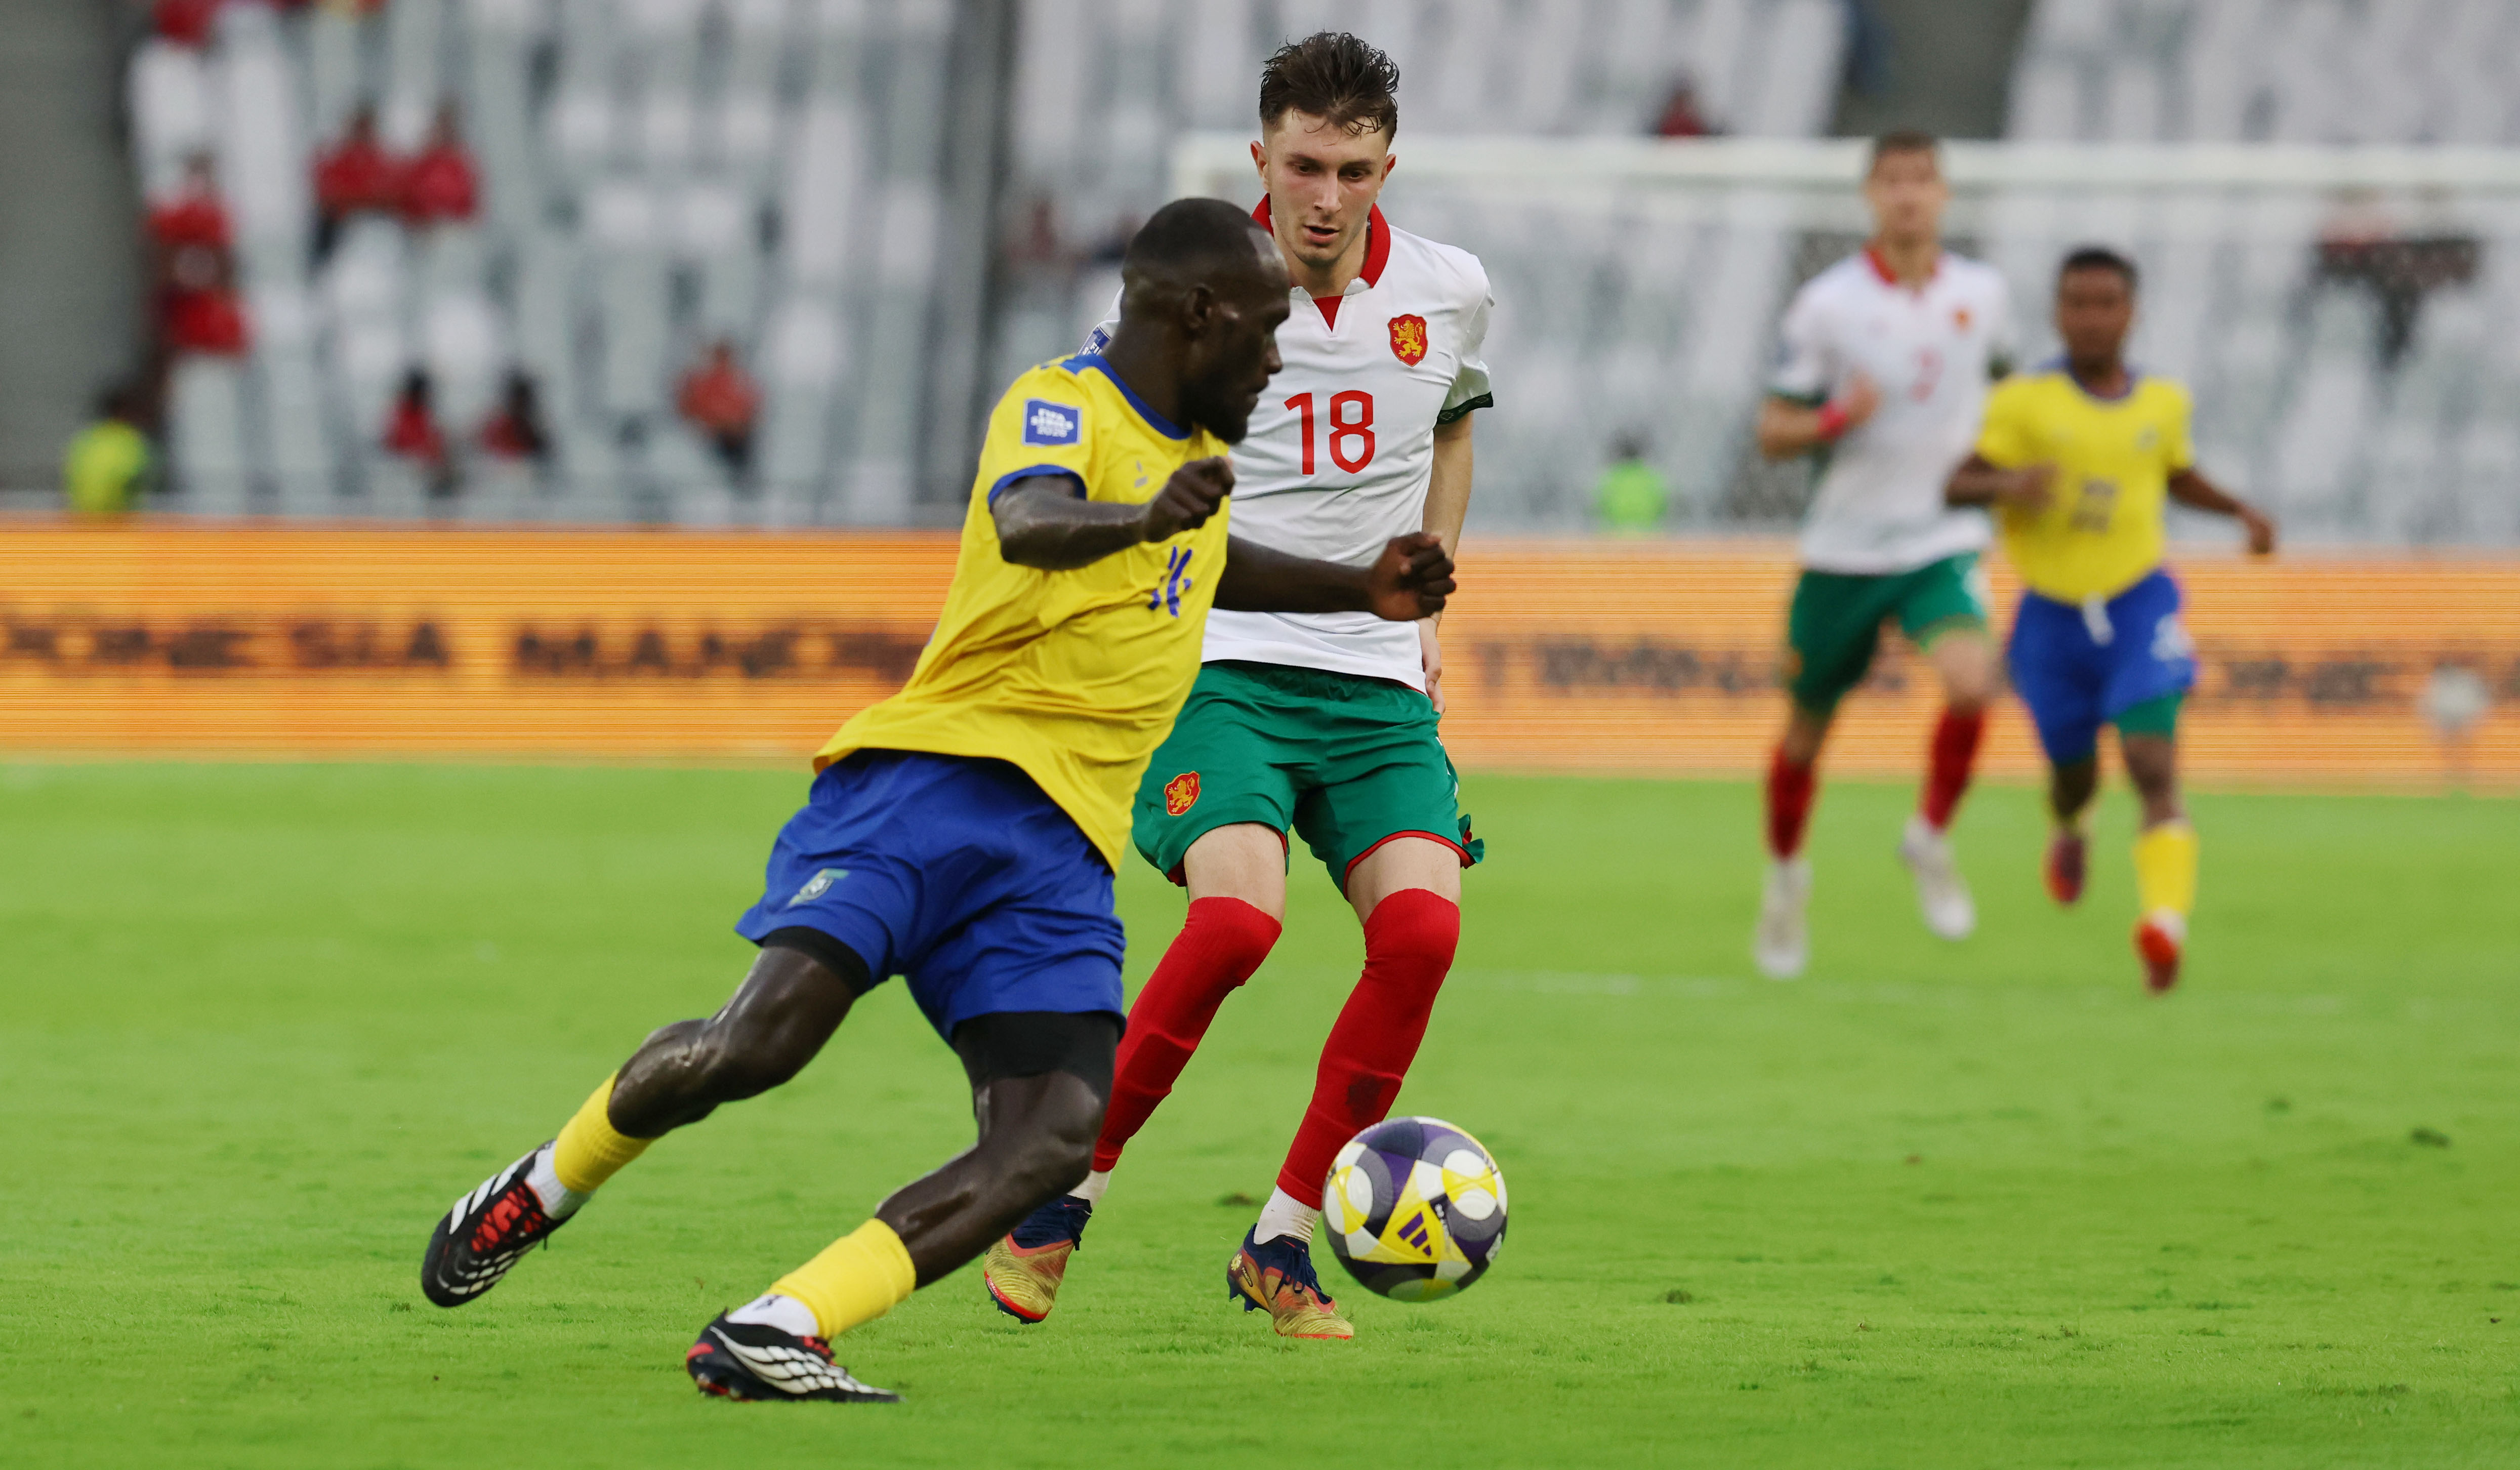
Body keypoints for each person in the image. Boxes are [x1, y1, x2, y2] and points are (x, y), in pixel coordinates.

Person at [415, 198, 1457, 1403]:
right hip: (937, 783)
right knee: (757, 1044)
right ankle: (545, 1184)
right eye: (1264, 330)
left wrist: (1358, 588)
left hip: (1061, 853)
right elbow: (1030, 520)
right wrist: (1142, 516)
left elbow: (1210, 558)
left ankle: (780, 1325)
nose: (1278, 360)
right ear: (1198, 314)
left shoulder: (1192, 464)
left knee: (1052, 1138)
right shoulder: (1062, 403)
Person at [984, 31, 1494, 1342]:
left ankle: (1281, 1240)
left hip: (1373, 683)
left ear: (1387, 171)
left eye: (1353, 172)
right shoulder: (1192, 299)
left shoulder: (1449, 290)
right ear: (1259, 159)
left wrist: (1436, 593)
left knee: (1422, 938)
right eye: (1304, 166)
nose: (1326, 198)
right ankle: (1061, 1194)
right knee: (1234, 925)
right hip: (1218, 665)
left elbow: (1451, 426)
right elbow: (1103, 447)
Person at [1948, 247, 2277, 994]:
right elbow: (1956, 483)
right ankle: (2070, 826)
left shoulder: (2161, 402)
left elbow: (2174, 474)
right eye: (2076, 303)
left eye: (2105, 304)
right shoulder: (2022, 403)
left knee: (2152, 764)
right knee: (2072, 778)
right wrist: (2009, 483)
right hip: (2050, 617)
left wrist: (2239, 512)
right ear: (2056, 313)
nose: (2090, 318)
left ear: (2130, 313)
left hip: (2137, 602)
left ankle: (2163, 926)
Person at [1749, 131, 2013, 981]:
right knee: (1803, 736)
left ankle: (1927, 836)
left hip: (1940, 537)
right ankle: (1786, 877)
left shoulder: (1982, 294)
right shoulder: (1826, 305)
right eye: (1892, 180)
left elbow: (2009, 394)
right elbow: (1771, 430)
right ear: (1869, 193)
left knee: (1971, 683)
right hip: (1843, 548)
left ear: (1942, 194)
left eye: (1921, 180)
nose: (1907, 195)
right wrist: (1835, 418)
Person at [314, 105, 400, 253]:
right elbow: (327, 188)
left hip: (372, 218)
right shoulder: (340, 157)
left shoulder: (381, 159)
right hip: (343, 220)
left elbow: (391, 190)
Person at [63, 385, 155, 517]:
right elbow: (132, 477)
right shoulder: (130, 441)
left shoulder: (86, 439)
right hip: (116, 519)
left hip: (80, 518)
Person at [677, 340, 761, 473]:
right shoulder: (700, 383)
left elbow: (752, 408)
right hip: (716, 438)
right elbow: (688, 409)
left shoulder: (740, 381)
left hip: (733, 439)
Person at [399, 103, 480, 227]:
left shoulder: (462, 164)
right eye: (441, 126)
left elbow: (469, 203)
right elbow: (409, 198)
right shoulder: (422, 162)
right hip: (423, 228)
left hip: (454, 227)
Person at [1596, 432, 1668, 533]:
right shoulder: (1652, 478)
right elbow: (1663, 507)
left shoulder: (1612, 478)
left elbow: (1600, 507)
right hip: (1648, 534)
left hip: (1616, 534)